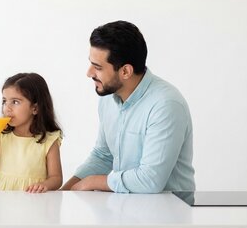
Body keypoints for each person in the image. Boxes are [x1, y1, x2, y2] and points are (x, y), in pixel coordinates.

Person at [62, 21, 195, 193]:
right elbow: (103, 156)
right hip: (125, 207)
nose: (89, 73)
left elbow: (150, 180)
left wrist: (93, 182)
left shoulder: (166, 105)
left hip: (169, 213)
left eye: (97, 67)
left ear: (125, 71)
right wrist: (63, 194)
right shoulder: (108, 97)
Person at [0, 73, 63, 193]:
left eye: (15, 102)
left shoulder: (49, 140)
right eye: (5, 101)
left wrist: (45, 185)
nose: (7, 108)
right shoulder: (1, 136)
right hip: (2, 199)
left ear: (35, 108)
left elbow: (56, 178)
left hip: (32, 199)